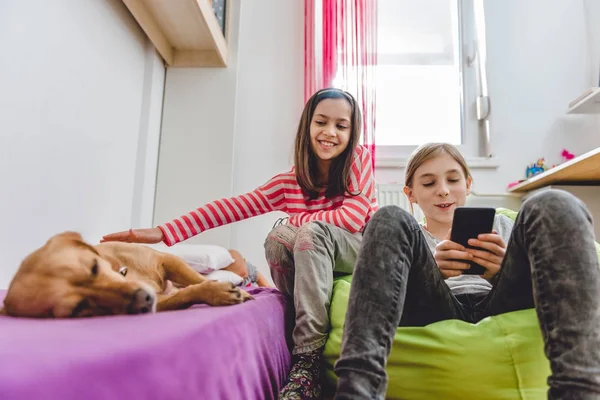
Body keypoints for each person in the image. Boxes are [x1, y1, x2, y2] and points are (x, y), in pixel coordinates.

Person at [101, 88, 378, 399]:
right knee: (276, 240)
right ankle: (298, 326)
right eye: (321, 122)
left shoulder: (359, 159)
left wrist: (295, 223)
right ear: (307, 127)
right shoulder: (289, 183)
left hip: (358, 248)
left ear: (352, 132)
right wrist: (163, 231)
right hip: (313, 250)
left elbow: (353, 218)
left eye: (341, 126)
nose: (329, 132)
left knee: (304, 232)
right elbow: (231, 207)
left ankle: (308, 357)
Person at [333, 142, 600, 400]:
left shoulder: (505, 226)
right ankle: (357, 391)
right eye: (428, 183)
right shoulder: (408, 238)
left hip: (503, 299)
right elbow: (384, 288)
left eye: (453, 180)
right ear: (411, 193)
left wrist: (500, 271)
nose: (443, 191)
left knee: (554, 201)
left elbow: (551, 279)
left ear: (468, 184)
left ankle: (581, 390)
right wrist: (434, 273)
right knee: (387, 216)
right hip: (434, 304)